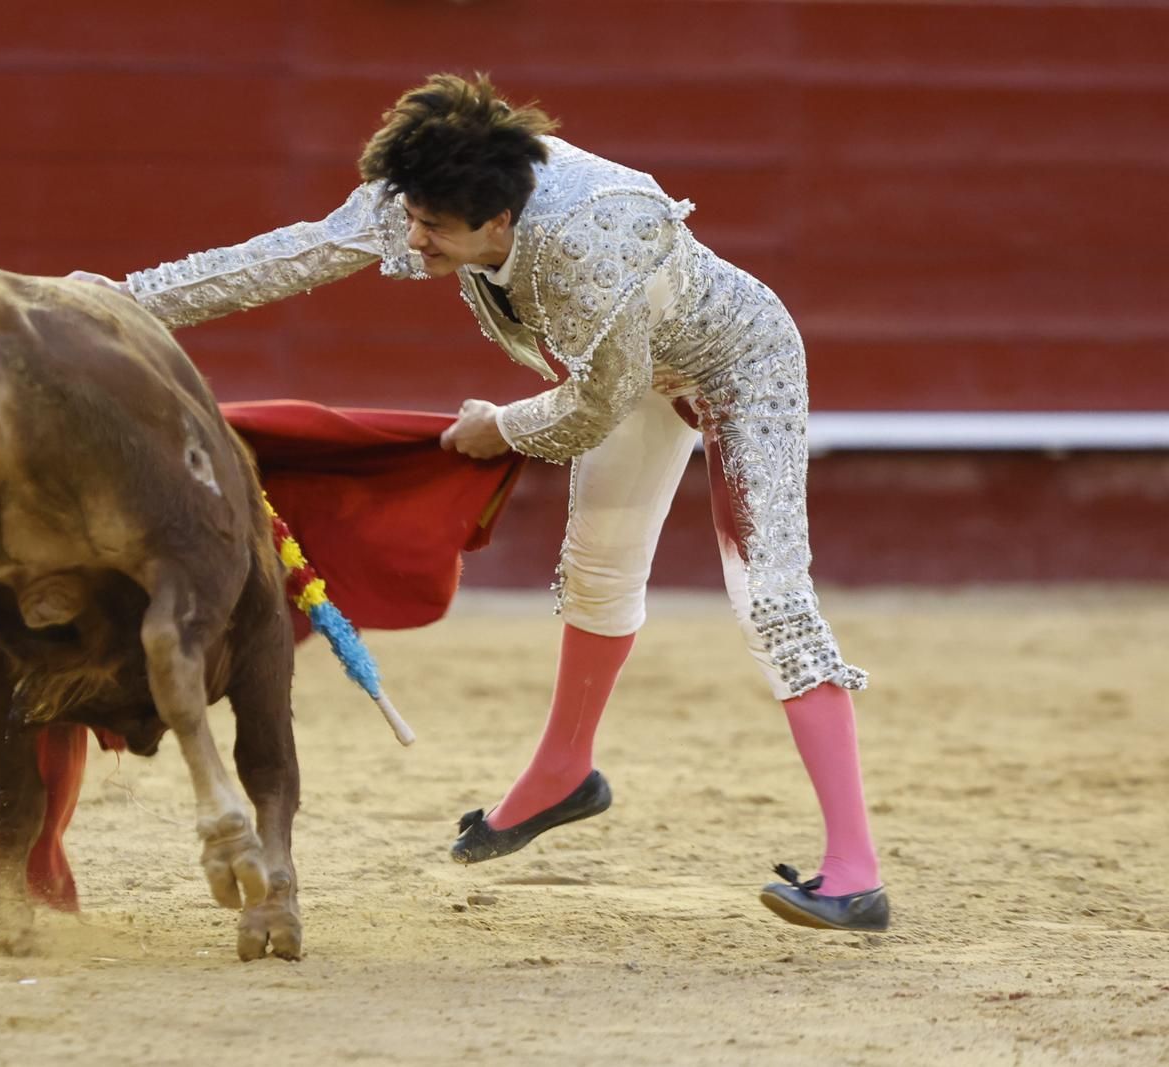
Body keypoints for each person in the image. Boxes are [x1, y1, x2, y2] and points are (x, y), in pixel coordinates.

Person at [70, 73, 889, 932]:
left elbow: (595, 405)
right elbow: (291, 256)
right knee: (595, 578)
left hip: (738, 366)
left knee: (773, 602)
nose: (413, 239)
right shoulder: (432, 191)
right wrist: (122, 300)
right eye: (411, 217)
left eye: (434, 229)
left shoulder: (597, 234)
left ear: (499, 222)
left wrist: (501, 424)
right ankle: (564, 773)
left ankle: (856, 876)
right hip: (626, 374)